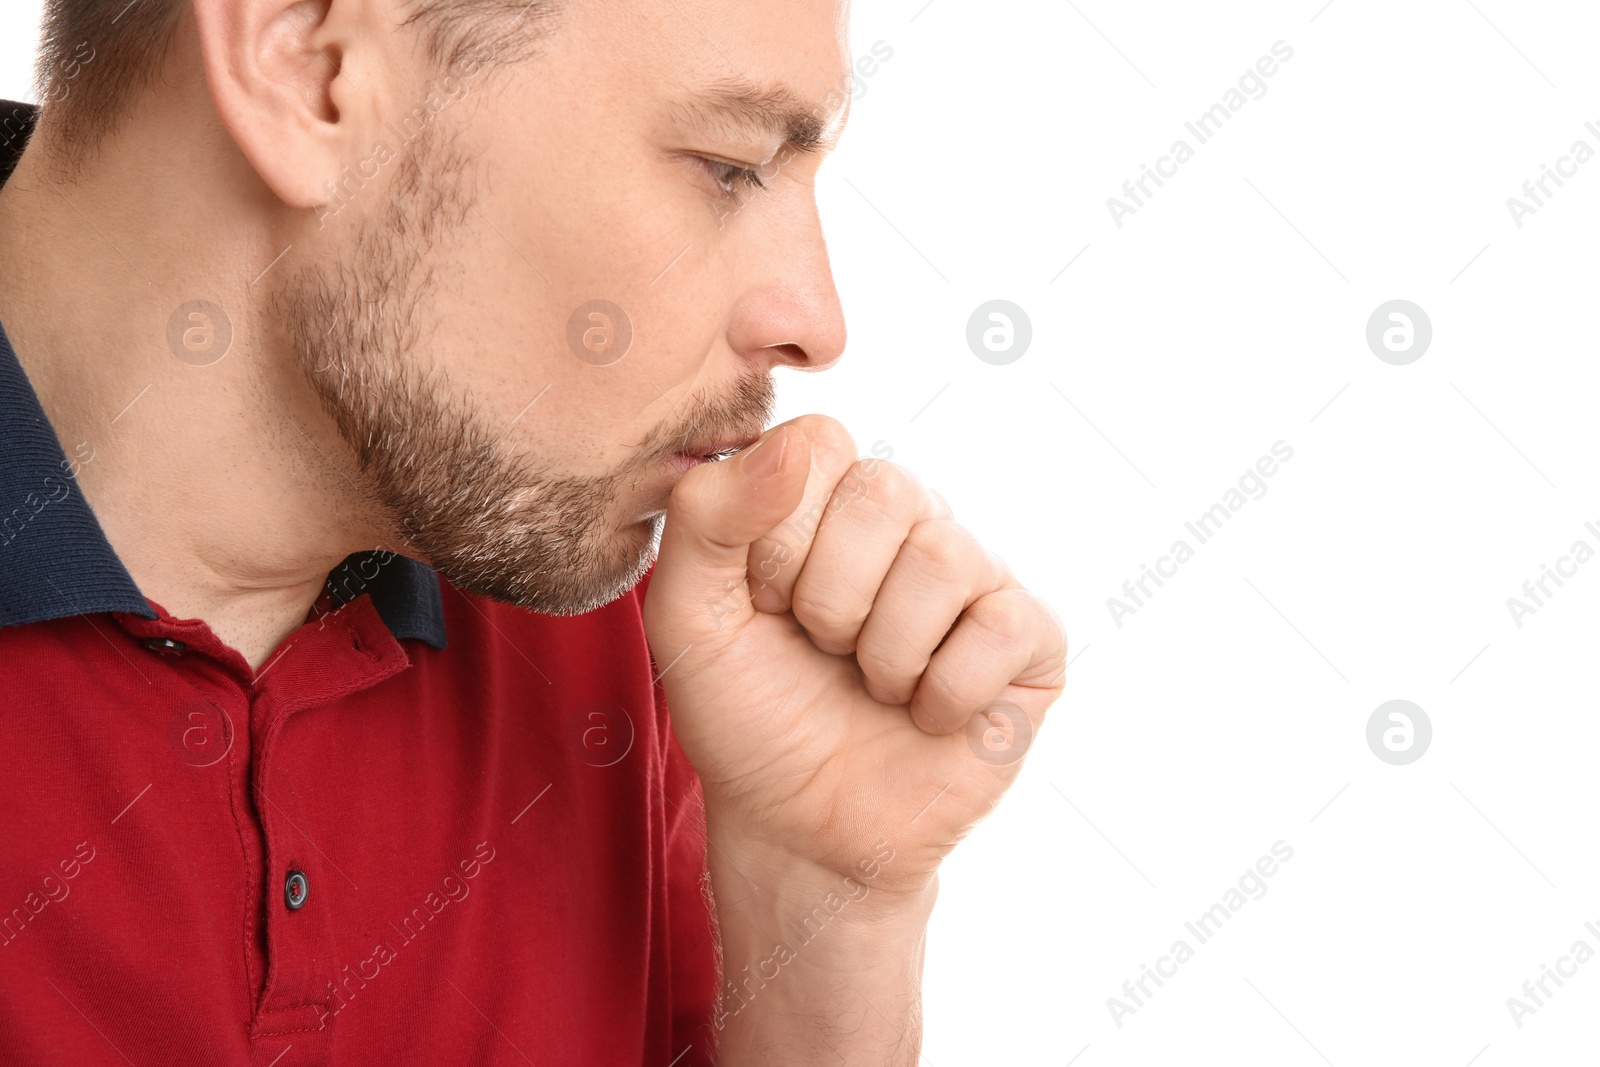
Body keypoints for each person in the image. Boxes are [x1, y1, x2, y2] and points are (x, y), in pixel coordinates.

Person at [0, 0, 1066, 1062]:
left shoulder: (604, 605)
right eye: (729, 163)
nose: (815, 322)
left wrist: (820, 911)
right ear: (308, 67)